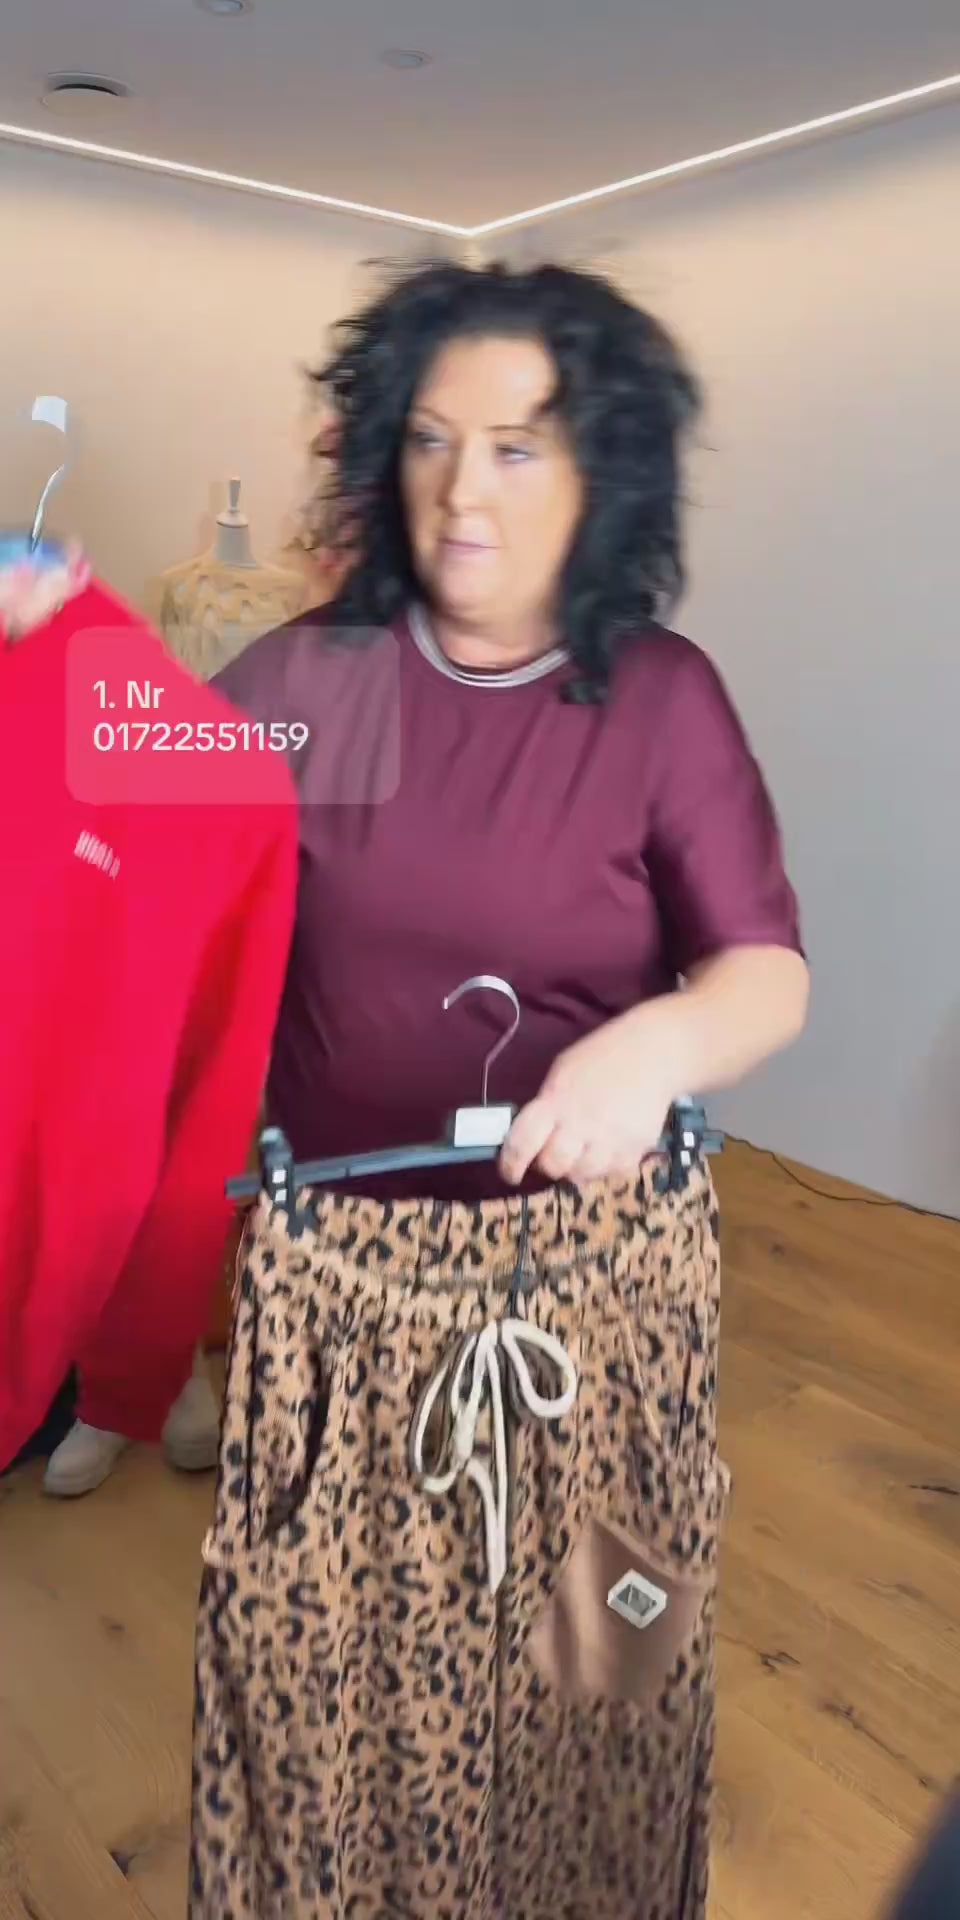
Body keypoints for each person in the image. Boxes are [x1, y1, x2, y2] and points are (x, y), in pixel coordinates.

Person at [191, 260, 809, 1920]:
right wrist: (51, 646)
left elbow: (764, 971)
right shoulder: (317, 686)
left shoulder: (657, 700)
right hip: (342, 1298)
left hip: (599, 1304)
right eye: (432, 439)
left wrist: (656, 1043)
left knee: (600, 1682)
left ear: (604, 472)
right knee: (330, 1698)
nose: (464, 491)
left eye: (520, 447)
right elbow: (101, 817)